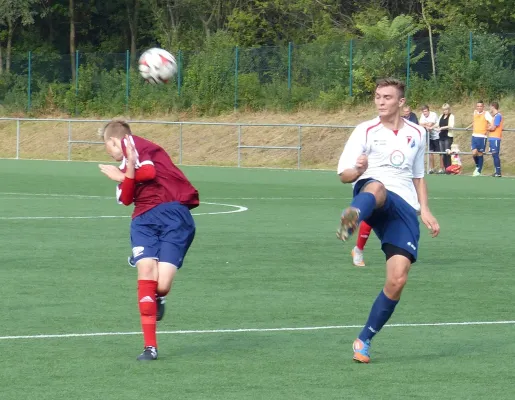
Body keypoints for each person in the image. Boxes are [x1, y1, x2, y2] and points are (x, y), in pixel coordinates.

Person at [336, 78, 440, 363]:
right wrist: (357, 170)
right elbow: (343, 174)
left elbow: (418, 175)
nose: (380, 101)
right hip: (371, 190)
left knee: (397, 279)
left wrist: (425, 210)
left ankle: (364, 339)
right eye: (377, 96)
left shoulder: (418, 133)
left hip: (404, 205)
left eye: (387, 97)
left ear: (401, 102)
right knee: (378, 187)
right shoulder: (364, 131)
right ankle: (354, 215)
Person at [98, 119, 199, 361]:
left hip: (174, 215)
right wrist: (125, 175)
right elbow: (125, 199)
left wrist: (124, 175)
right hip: (143, 220)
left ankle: (159, 295)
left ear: (114, 140)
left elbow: (150, 171)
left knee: (161, 286)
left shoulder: (135, 144)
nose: (108, 152)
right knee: (146, 274)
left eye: (106, 146)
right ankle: (150, 347)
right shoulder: (124, 165)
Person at [465, 101, 493, 176]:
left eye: (480, 106)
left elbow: (492, 121)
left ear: (483, 107)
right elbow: (474, 122)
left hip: (482, 136)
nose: (479, 107)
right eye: (478, 106)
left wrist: (489, 127)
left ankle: (479, 170)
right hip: (474, 135)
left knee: (480, 153)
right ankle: (477, 166)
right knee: (474, 153)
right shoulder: (475, 112)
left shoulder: (486, 114)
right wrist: (468, 127)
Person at [419, 105, 442, 174]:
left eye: (426, 111)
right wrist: (426, 125)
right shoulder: (422, 115)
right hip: (429, 136)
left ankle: (441, 168)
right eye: (423, 112)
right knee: (430, 152)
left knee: (440, 152)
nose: (424, 113)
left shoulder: (433, 115)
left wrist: (425, 125)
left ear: (428, 111)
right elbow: (420, 124)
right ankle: (432, 168)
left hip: (437, 135)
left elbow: (430, 124)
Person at [436, 103, 455, 169]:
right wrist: (431, 127)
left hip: (448, 136)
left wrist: (442, 128)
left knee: (448, 153)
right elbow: (437, 124)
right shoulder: (441, 116)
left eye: (446, 109)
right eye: (444, 110)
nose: (445, 111)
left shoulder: (451, 116)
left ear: (449, 109)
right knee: (443, 153)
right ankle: (446, 168)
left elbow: (450, 126)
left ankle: (449, 168)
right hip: (441, 136)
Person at [487, 102, 503, 177]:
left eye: (490, 107)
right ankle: (496, 171)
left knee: (495, 154)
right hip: (492, 138)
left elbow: (493, 127)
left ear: (493, 107)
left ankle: (498, 172)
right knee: (493, 154)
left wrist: (488, 128)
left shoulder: (498, 116)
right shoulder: (494, 116)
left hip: (496, 138)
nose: (490, 109)